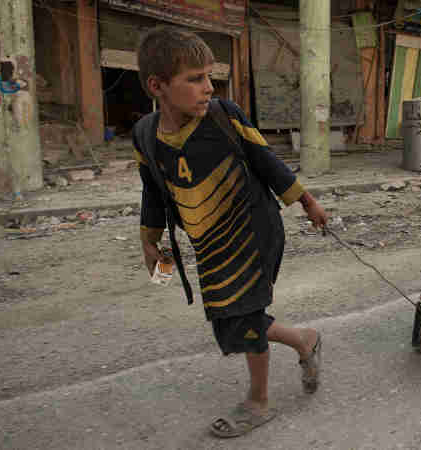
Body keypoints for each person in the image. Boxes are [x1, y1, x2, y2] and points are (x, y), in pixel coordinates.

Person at [133, 26, 328, 438]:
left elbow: (267, 162)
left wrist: (308, 204)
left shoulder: (224, 116)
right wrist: (149, 240)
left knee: (244, 314)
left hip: (256, 232)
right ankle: (303, 339)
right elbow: (153, 190)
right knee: (230, 317)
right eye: (195, 79)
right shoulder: (145, 136)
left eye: (209, 77)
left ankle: (258, 402)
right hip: (209, 242)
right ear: (158, 86)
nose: (208, 88)